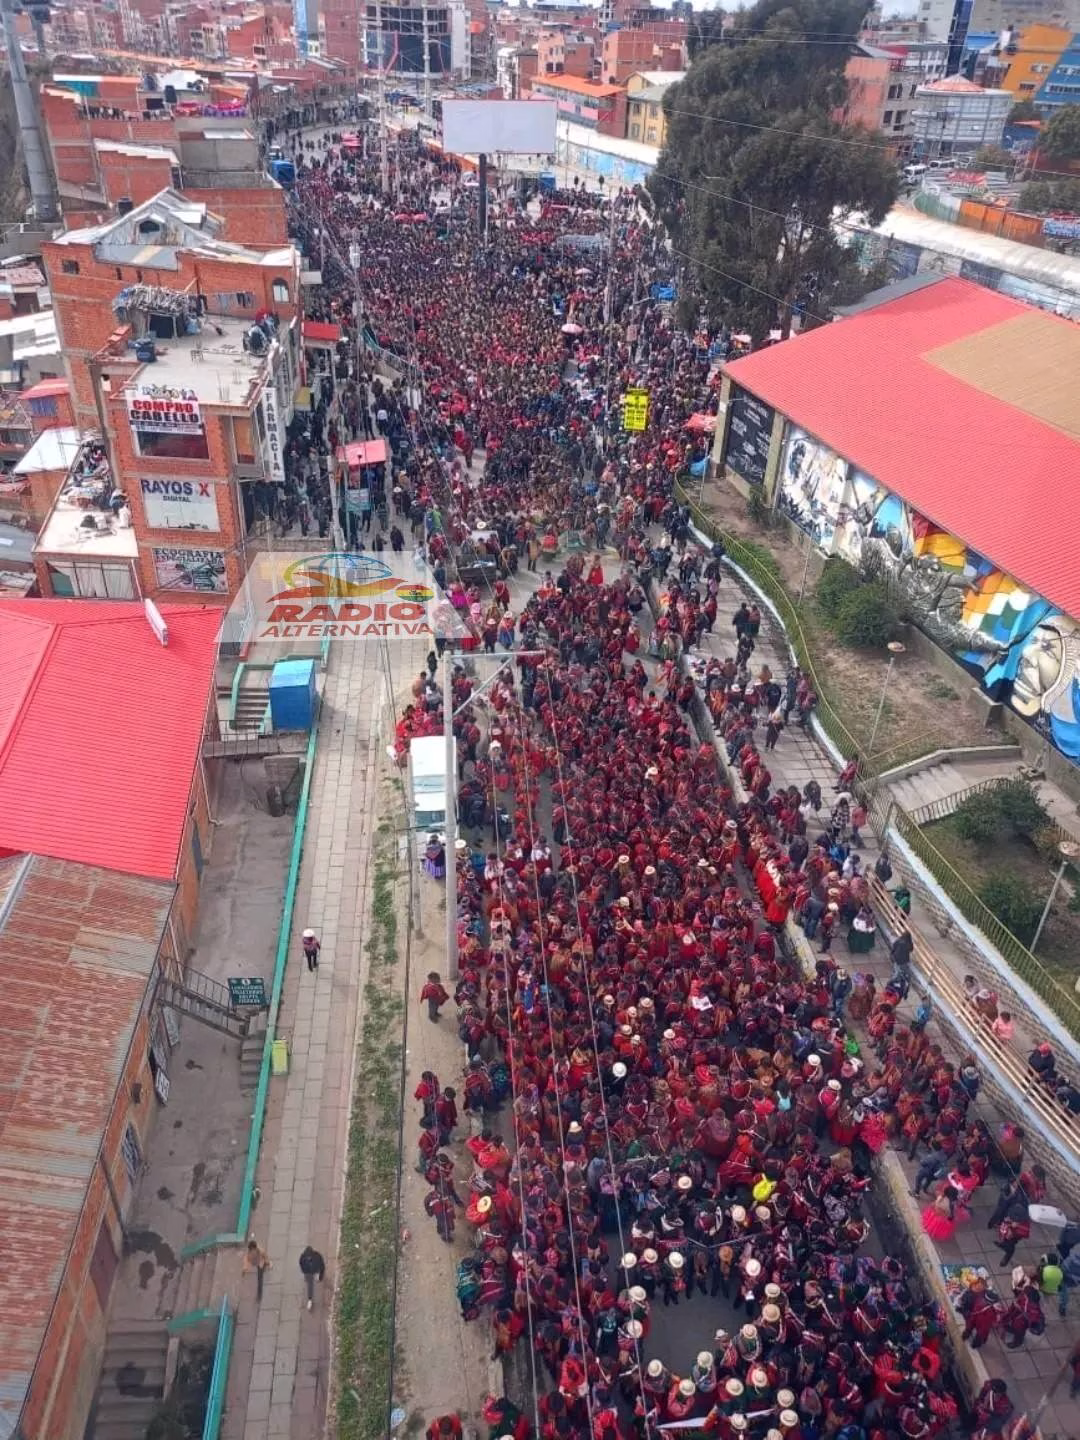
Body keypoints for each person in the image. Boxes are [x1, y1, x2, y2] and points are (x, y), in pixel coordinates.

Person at [242, 1235, 272, 1302]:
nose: (250, 1251)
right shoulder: (250, 1251)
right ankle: (267, 1265)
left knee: (260, 1279)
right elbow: (246, 1258)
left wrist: (268, 1263)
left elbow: (265, 1256)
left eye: (252, 1250)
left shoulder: (261, 1251)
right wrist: (245, 1267)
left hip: (260, 1264)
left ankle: (259, 1295)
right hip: (256, 1262)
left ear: (255, 1249)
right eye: (250, 1250)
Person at [299, 1245, 325, 1310]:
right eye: (307, 1256)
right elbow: (301, 1265)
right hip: (308, 1272)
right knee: (310, 1285)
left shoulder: (317, 1256)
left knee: (312, 1281)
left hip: (315, 1270)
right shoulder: (302, 1257)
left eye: (309, 1256)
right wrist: (305, 1272)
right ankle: (310, 1299)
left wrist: (320, 1276)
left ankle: (310, 1300)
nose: (308, 1258)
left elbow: (322, 1267)